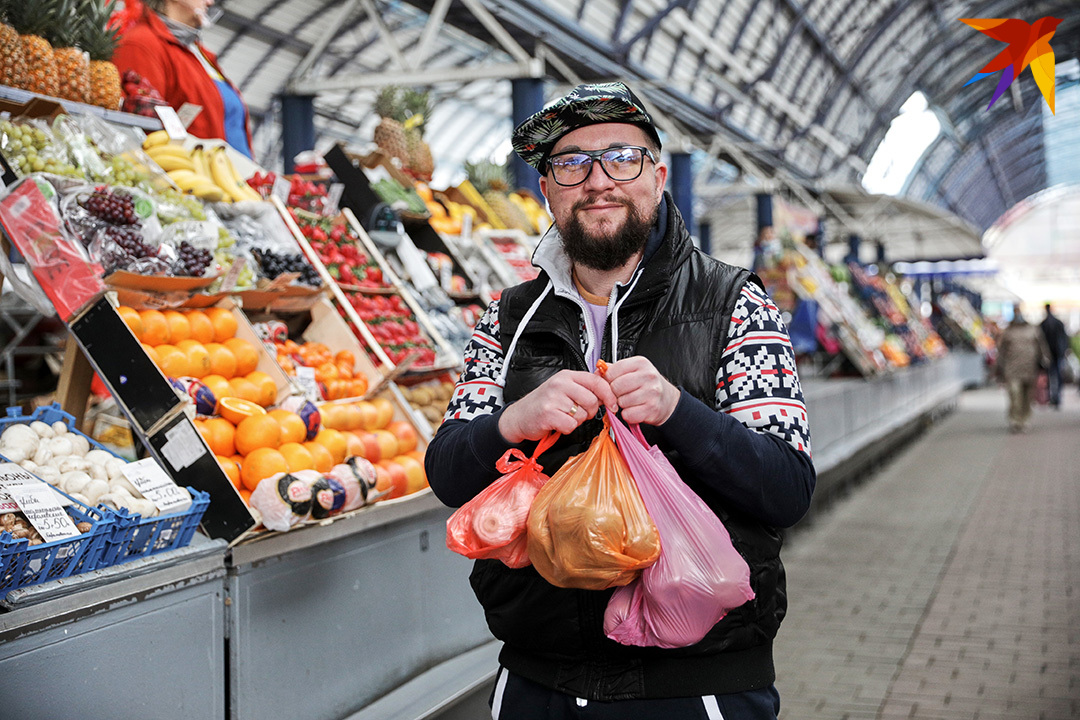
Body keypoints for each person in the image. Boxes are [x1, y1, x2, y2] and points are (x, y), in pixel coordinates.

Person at [425, 82, 815, 719]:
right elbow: (445, 472)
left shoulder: (733, 304)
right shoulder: (508, 319)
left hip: (698, 685)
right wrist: (511, 423)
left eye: (622, 158)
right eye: (571, 163)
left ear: (657, 177)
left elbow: (787, 488)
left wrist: (677, 412)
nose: (598, 180)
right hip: (536, 679)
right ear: (547, 190)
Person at [113, 0, 255, 158]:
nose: (210, 2)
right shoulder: (141, 44)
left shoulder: (199, 53)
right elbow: (142, 133)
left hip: (231, 176)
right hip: (189, 176)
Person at [997, 305, 1050, 432]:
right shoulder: (1008, 332)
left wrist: (1045, 360)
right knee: (1015, 396)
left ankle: (1025, 419)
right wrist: (999, 369)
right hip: (1012, 370)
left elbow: (1042, 347)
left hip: (1029, 369)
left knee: (1027, 396)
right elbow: (1001, 352)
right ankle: (1015, 420)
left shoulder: (1033, 330)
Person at [1039, 303, 1069, 408]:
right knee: (1057, 374)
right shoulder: (1058, 323)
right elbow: (1065, 338)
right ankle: (1057, 396)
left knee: (1050, 375)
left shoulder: (1043, 324)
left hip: (1050, 354)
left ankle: (1053, 396)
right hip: (1057, 353)